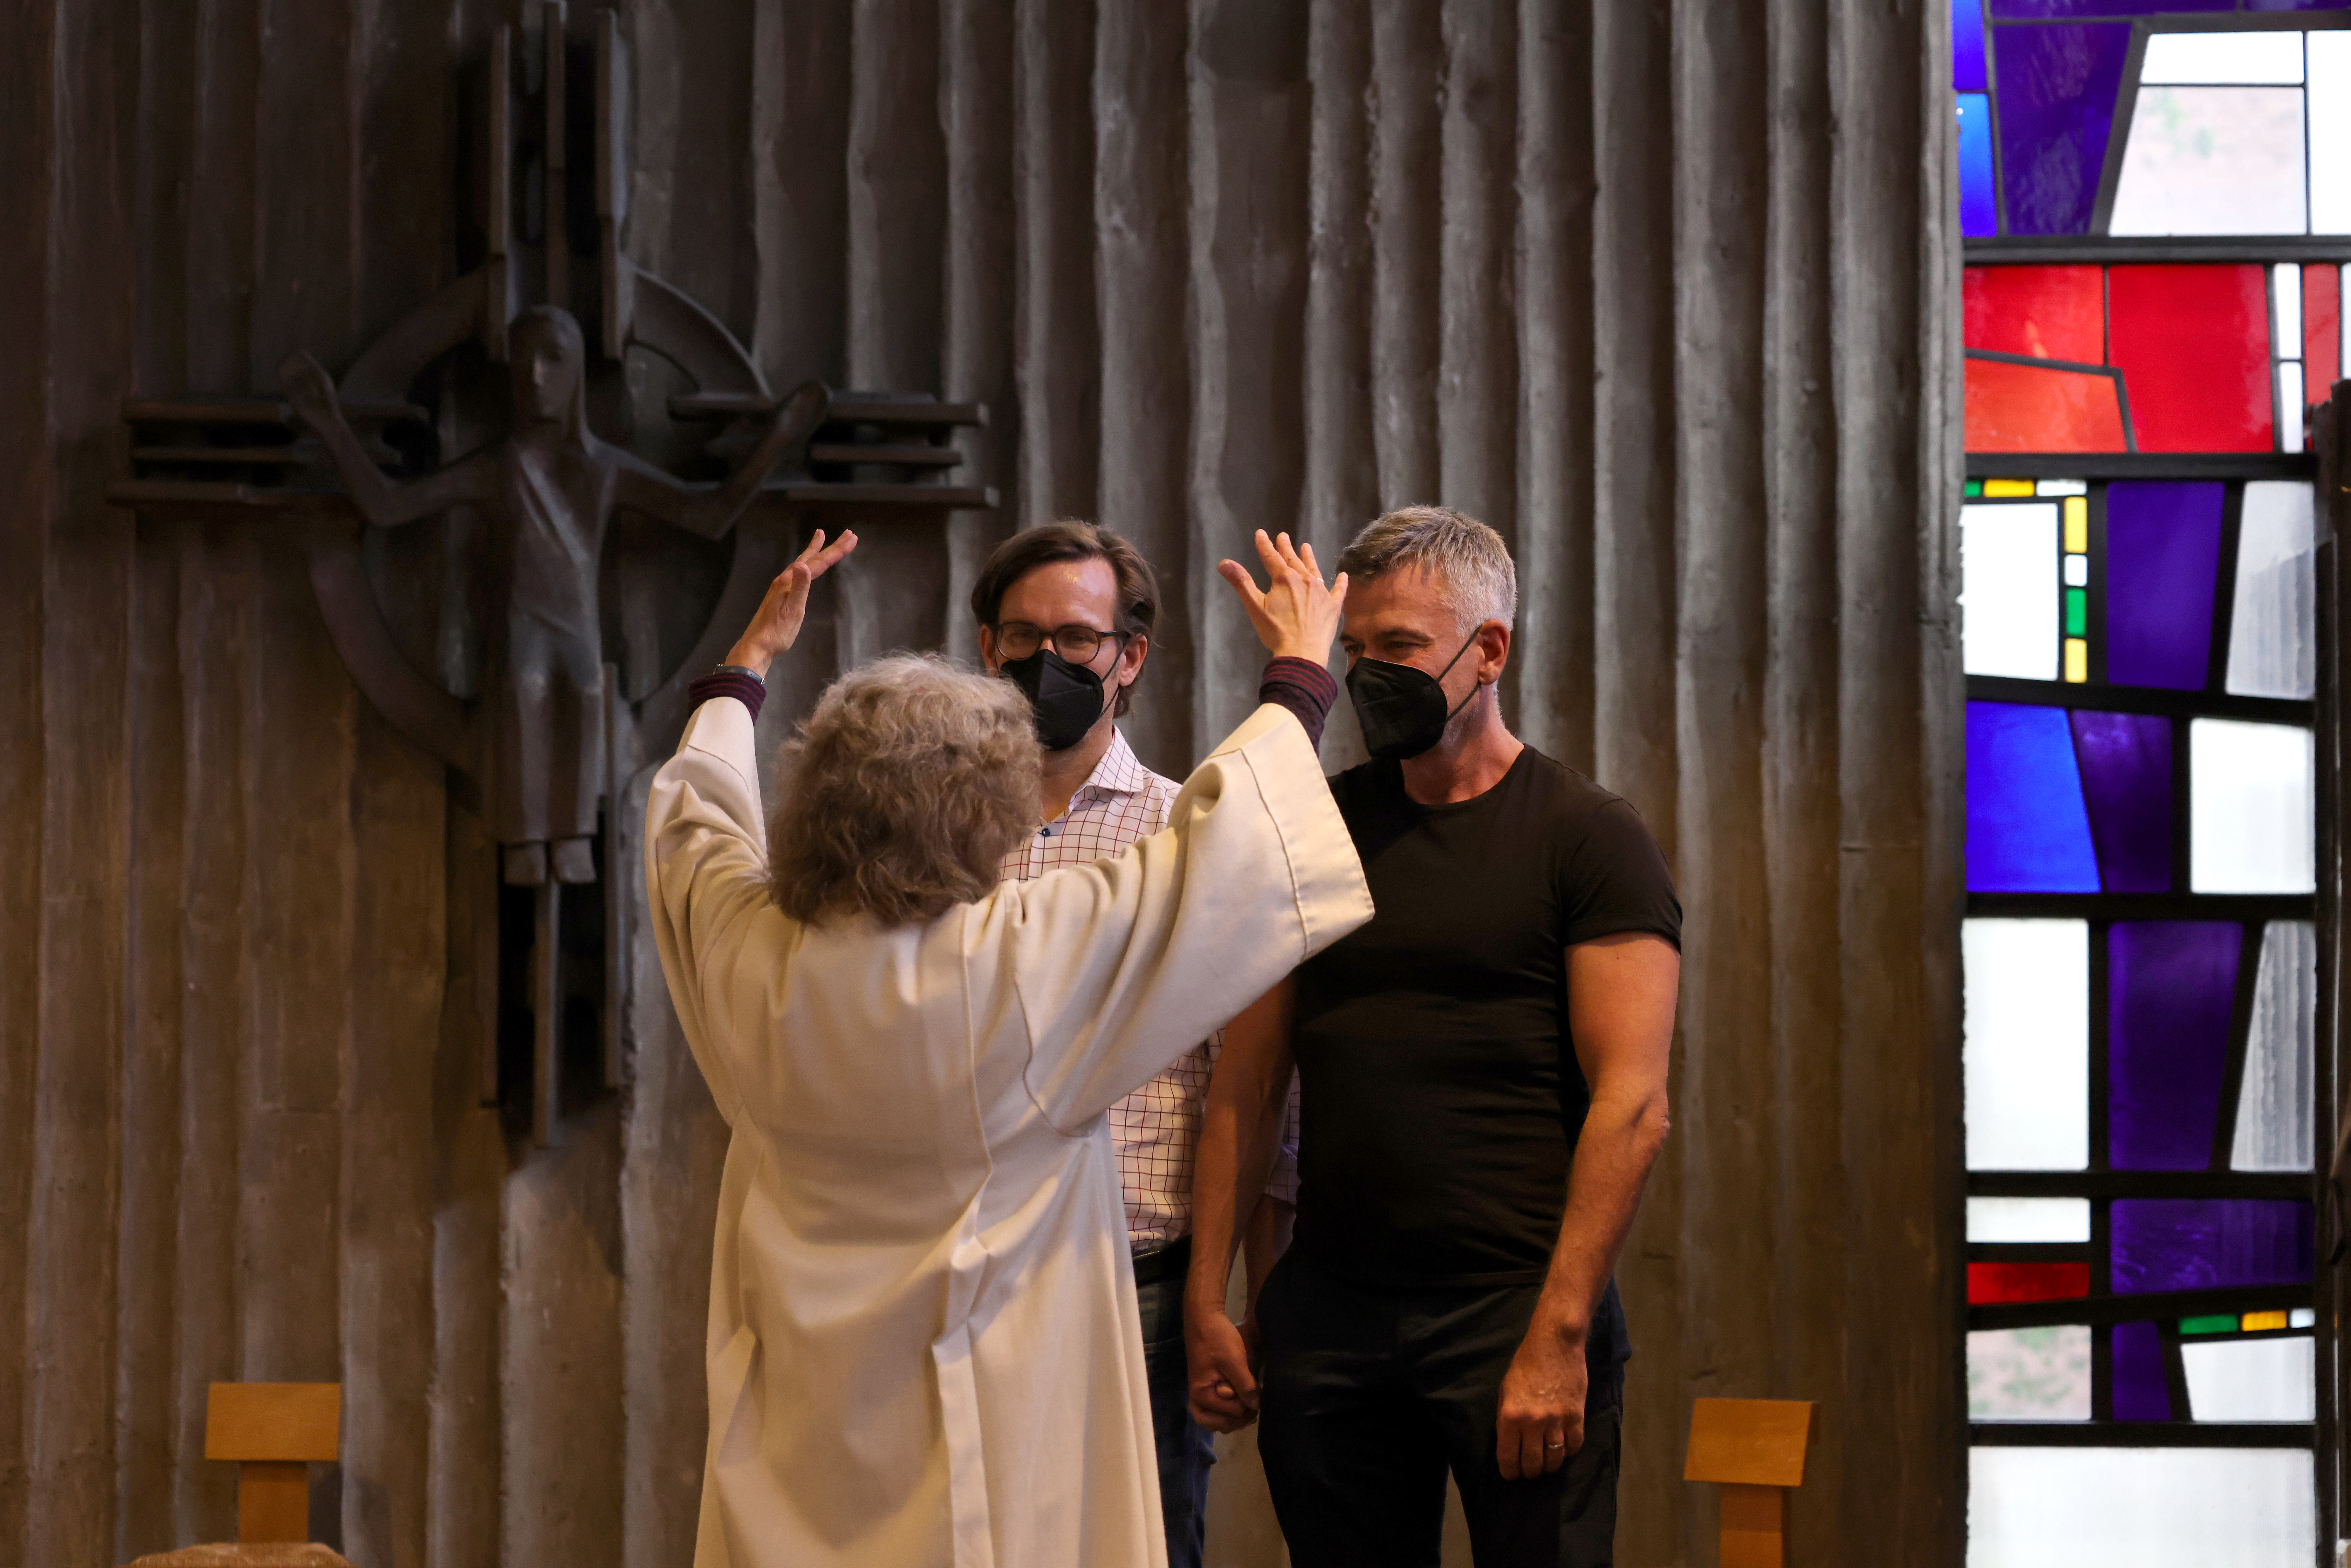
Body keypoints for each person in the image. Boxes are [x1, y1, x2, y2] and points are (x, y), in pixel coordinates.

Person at [644, 525, 1373, 1568]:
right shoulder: (1017, 965)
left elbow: (694, 829)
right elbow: (1227, 864)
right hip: (974, 1412)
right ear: (981, 822)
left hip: (800, 1421)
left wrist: (744, 672)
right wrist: (1300, 677)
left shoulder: (747, 954)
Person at [1184, 507, 1681, 1567]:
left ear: (1488, 649)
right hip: (1331, 1314)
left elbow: (1634, 1103)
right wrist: (1207, 1298)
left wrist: (1558, 1335)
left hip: (1514, 1309)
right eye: (1355, 650)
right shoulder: (1318, 830)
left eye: (1400, 648)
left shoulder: (1589, 837)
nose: (1370, 677)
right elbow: (1249, 1076)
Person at [970, 521, 1310, 1568]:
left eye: (1076, 640)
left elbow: (1247, 1093)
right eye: (1020, 637)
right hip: (963, 1279)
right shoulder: (934, 837)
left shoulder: (1186, 835)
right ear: (986, 650)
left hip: (1140, 1287)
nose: (1045, 663)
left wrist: (1227, 1298)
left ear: (1130, 656)